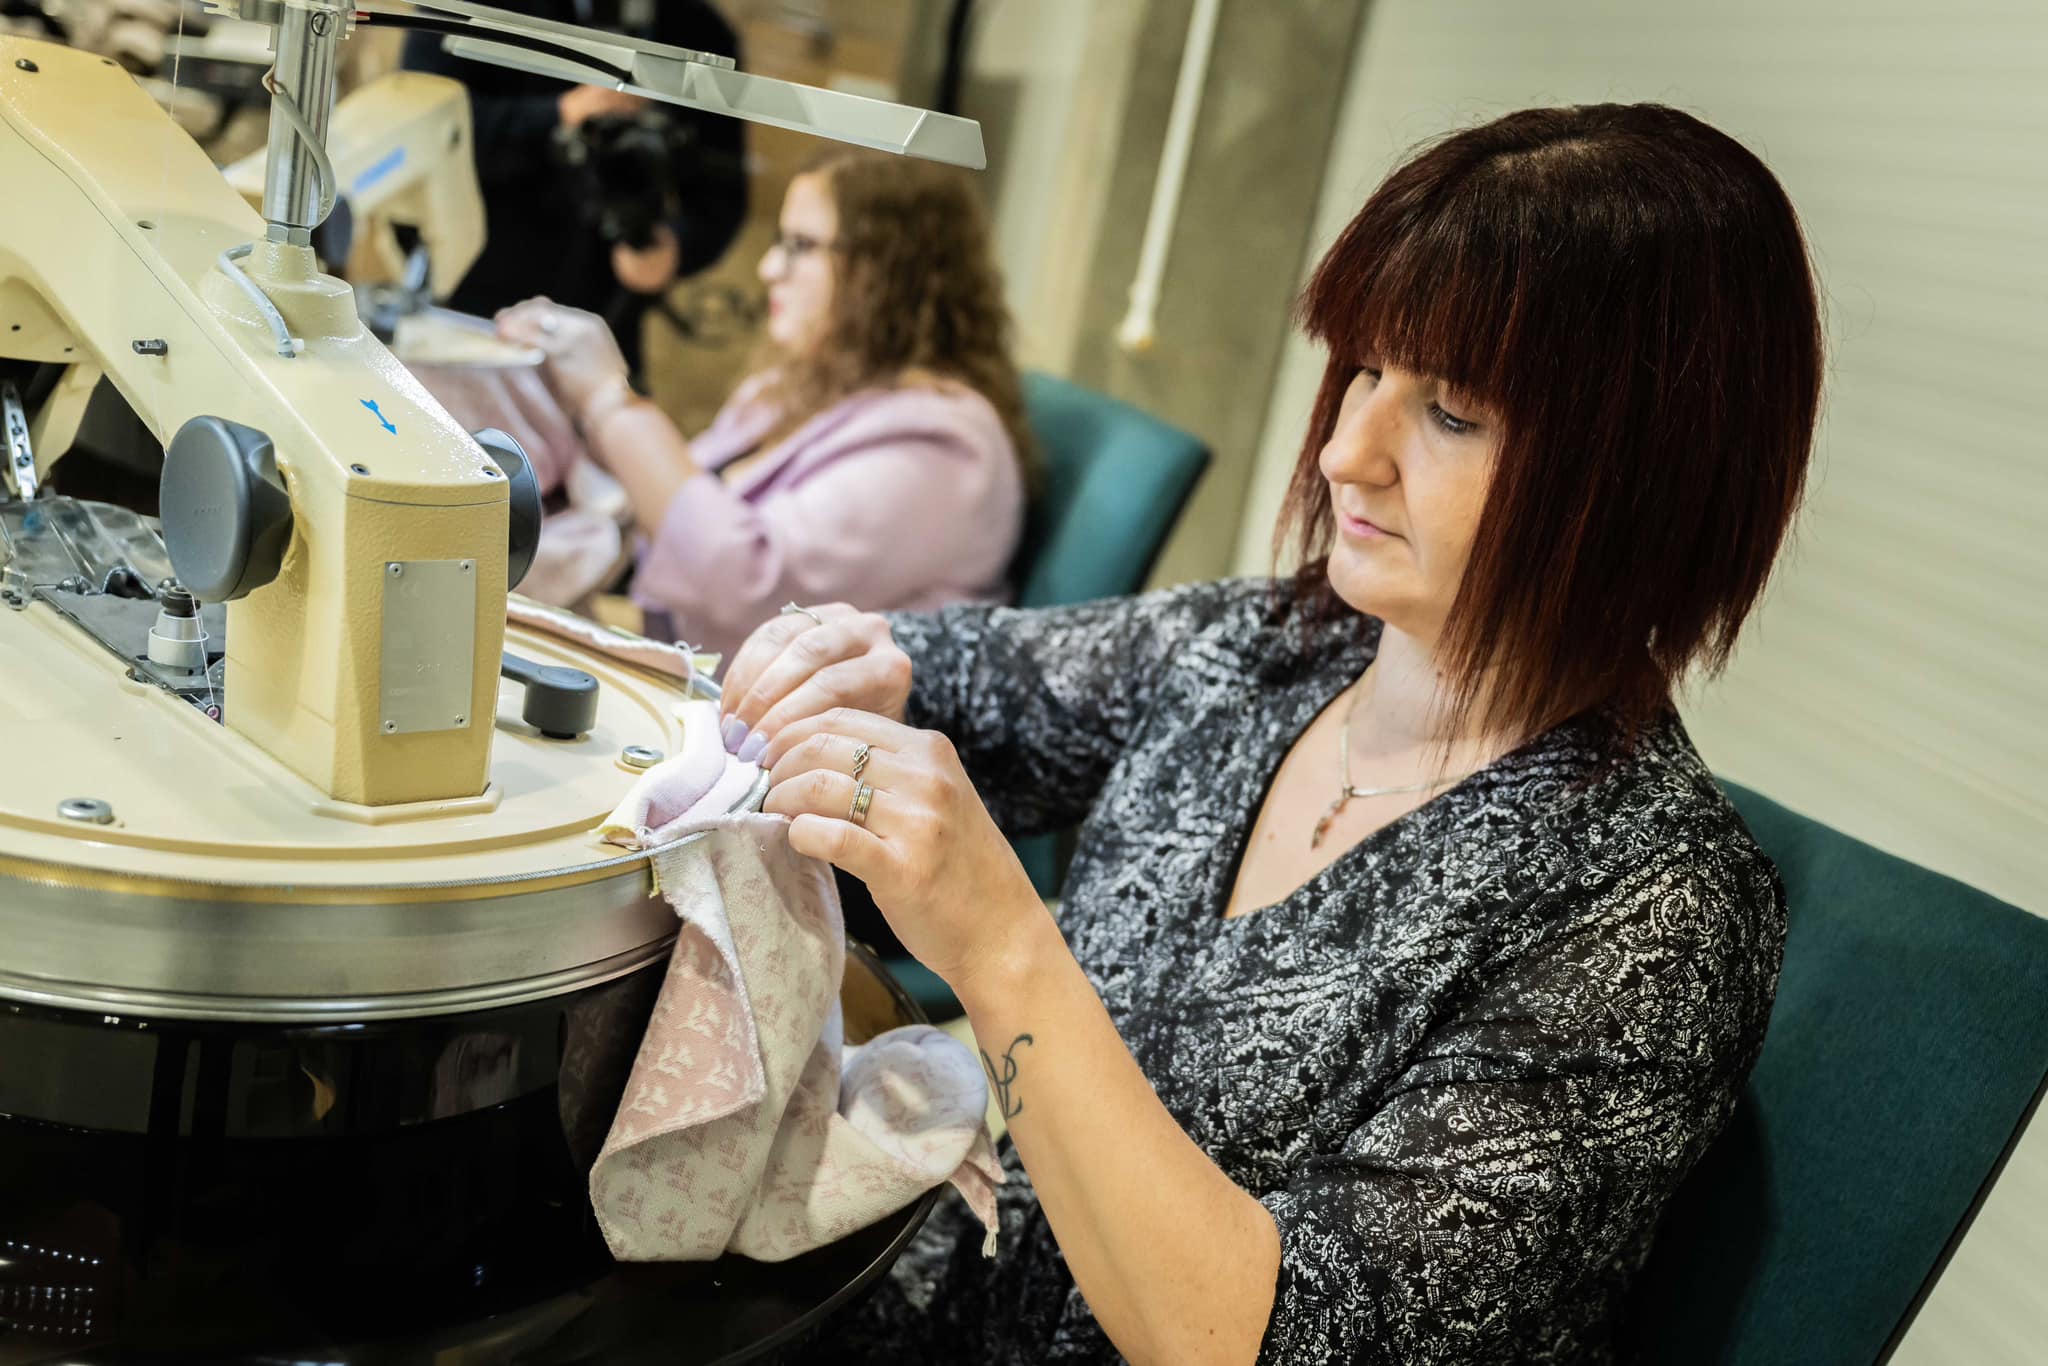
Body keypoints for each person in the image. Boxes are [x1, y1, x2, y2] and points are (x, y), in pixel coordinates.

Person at [714, 103, 1825, 1364]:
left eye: (1451, 411)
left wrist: (1001, 943)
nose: (1348, 452)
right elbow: (964, 682)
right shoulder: (1266, 647)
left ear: (1640, 478)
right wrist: (848, 658)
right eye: (1364, 370)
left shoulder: (1651, 910)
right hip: (928, 1290)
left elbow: (1278, 1339)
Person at [496, 148, 1032, 675]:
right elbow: (671, 503)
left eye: (800, 246)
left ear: (891, 269)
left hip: (789, 723)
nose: (769, 267)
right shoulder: (801, 386)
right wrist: (561, 416)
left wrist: (607, 398)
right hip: (698, 673)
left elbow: (740, 580)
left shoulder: (942, 446)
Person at [402, 0, 747, 373]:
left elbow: (724, 187)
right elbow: (418, 128)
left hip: (605, 322)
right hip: (474, 305)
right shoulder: (464, 4)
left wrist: (677, 247)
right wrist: (559, 115)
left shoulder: (699, 31)